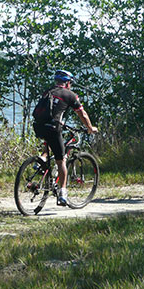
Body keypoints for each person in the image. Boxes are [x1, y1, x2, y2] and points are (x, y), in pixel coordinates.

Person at [33, 69, 98, 206]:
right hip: (53, 127)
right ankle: (63, 194)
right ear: (68, 83)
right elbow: (82, 114)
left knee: (50, 141)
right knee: (61, 160)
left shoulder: (48, 91)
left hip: (38, 126)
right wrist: (90, 128)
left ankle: (42, 158)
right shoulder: (70, 95)